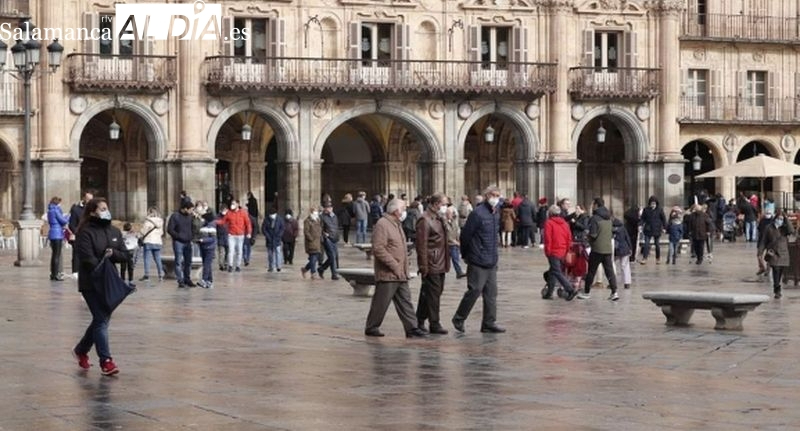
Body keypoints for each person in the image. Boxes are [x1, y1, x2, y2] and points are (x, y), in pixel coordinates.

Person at [72, 198, 128, 376]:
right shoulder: (85, 232)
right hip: (91, 282)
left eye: (107, 208)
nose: (106, 211)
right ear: (92, 212)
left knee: (100, 320)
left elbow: (125, 254)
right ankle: (106, 361)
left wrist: (113, 255)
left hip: (109, 282)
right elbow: (86, 258)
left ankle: (81, 349)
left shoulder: (114, 231)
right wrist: (100, 263)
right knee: (101, 320)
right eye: (102, 208)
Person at [364, 199, 427, 338]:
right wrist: (394, 264)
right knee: (381, 302)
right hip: (388, 272)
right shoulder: (382, 224)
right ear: (396, 211)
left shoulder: (396, 224)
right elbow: (378, 248)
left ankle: (412, 328)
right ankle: (372, 326)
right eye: (403, 208)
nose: (405, 211)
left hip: (400, 272)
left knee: (405, 301)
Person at [452, 186, 506, 333]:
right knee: (475, 290)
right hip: (478, 259)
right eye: (493, 195)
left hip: (491, 260)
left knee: (491, 293)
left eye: (498, 195)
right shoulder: (477, 213)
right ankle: (459, 317)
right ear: (486, 195)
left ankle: (489, 323)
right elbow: (466, 235)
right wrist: (466, 255)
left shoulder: (495, 213)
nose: (496, 198)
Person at [415, 193, 450, 335]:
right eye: (444, 204)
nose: (445, 207)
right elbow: (421, 245)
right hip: (432, 262)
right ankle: (434, 323)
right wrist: (423, 266)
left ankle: (420, 318)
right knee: (433, 294)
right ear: (436, 204)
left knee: (430, 293)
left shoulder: (439, 217)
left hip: (441, 261)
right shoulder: (425, 219)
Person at [577, 198, 619, 301]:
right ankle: (614, 292)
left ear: (596, 205)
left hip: (597, 249)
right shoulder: (609, 217)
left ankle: (586, 292)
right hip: (607, 248)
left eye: (593, 204)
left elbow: (594, 234)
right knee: (609, 272)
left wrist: (588, 237)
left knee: (591, 271)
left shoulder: (595, 218)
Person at [542, 204, 578, 300]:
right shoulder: (565, 223)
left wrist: (547, 251)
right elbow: (569, 238)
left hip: (553, 251)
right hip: (563, 251)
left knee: (557, 271)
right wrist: (566, 250)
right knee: (553, 271)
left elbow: (548, 239)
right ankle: (549, 293)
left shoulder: (549, 223)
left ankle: (570, 289)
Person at [760, 210, 794, 299]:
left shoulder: (784, 228)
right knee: (776, 269)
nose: (780, 220)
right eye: (778, 218)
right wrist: (760, 252)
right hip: (773, 253)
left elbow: (791, 230)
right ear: (775, 218)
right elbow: (764, 240)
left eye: (781, 219)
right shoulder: (769, 228)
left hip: (783, 253)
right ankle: (777, 289)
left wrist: (786, 219)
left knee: (780, 271)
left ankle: (777, 285)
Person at [167, 200, 198, 288]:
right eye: (191, 209)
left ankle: (187, 279)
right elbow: (170, 229)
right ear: (185, 208)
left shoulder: (190, 216)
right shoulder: (175, 216)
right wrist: (178, 236)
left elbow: (193, 227)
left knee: (188, 262)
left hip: (188, 242)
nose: (192, 211)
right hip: (178, 242)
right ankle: (180, 280)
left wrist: (192, 236)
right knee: (178, 262)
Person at [217, 199, 252, 273]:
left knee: (239, 251)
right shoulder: (229, 213)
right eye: (231, 203)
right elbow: (223, 221)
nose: (232, 205)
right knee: (231, 251)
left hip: (240, 235)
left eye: (233, 203)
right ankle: (230, 265)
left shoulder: (243, 213)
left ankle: (238, 266)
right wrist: (214, 222)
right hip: (231, 235)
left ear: (238, 204)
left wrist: (249, 232)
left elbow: (247, 223)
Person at [68, 190, 93, 278]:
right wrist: (78, 232)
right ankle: (75, 271)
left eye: (91, 199)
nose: (90, 201)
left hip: (90, 235)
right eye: (88, 199)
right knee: (77, 253)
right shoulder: (76, 209)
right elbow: (71, 224)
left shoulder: (92, 209)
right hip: (79, 235)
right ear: (83, 199)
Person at [139, 207, 165, 282]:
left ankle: (147, 275)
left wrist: (139, 235)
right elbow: (162, 233)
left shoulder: (147, 221)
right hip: (157, 242)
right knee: (157, 259)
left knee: (147, 259)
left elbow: (143, 232)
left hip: (148, 241)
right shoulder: (161, 221)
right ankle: (160, 274)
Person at [47, 196, 69, 281]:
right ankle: (56, 274)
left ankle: (53, 273)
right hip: (57, 234)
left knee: (54, 255)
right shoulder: (56, 210)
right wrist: (68, 216)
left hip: (52, 233)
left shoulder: (50, 210)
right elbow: (63, 221)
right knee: (57, 255)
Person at [639, 195, 666, 264]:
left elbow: (663, 219)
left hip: (657, 229)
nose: (652, 205)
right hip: (648, 229)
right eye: (651, 203)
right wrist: (640, 225)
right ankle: (644, 258)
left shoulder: (660, 209)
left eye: (654, 203)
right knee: (646, 244)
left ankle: (658, 258)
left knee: (657, 244)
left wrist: (665, 228)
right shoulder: (646, 209)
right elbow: (642, 218)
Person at [318, 203, 341, 280]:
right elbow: (319, 228)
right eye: (326, 207)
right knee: (332, 256)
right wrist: (324, 234)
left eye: (329, 207)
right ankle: (334, 274)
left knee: (334, 256)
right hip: (327, 239)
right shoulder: (322, 217)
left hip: (334, 238)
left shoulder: (335, 216)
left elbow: (336, 227)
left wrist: (337, 236)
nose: (328, 209)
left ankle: (321, 269)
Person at [301, 207, 323, 280]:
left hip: (318, 242)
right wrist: (311, 239)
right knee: (313, 258)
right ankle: (313, 273)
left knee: (314, 259)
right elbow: (306, 231)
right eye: (315, 211)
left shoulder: (317, 220)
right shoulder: (307, 221)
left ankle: (305, 269)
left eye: (316, 211)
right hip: (311, 243)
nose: (316, 213)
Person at [445, 205, 466, 279]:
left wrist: (458, 240)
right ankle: (458, 271)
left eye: (451, 213)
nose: (451, 215)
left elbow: (456, 232)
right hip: (450, 244)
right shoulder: (444, 223)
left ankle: (458, 272)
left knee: (456, 258)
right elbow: (447, 234)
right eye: (449, 214)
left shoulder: (454, 222)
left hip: (455, 243)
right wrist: (453, 241)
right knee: (453, 259)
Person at [197, 212, 217, 288]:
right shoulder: (203, 226)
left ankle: (204, 279)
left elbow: (212, 238)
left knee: (206, 264)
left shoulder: (212, 227)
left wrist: (203, 240)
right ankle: (210, 281)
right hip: (203, 247)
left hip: (210, 248)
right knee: (207, 265)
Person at [262, 207, 285, 272]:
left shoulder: (279, 219)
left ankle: (278, 266)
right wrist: (267, 236)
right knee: (270, 254)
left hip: (277, 239)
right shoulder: (266, 219)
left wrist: (279, 235)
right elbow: (264, 229)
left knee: (278, 252)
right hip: (269, 239)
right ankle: (271, 266)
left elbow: (282, 228)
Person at [612, 218, 633, 290]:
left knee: (612, 264)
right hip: (625, 249)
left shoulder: (612, 230)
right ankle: (627, 282)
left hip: (616, 249)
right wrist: (630, 248)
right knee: (625, 266)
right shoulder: (623, 228)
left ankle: (613, 281)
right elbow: (627, 238)